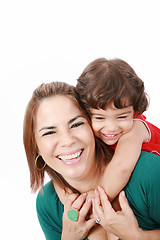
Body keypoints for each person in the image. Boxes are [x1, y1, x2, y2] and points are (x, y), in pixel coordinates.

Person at [23, 81, 160, 240]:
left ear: (93, 126)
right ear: (36, 146)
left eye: (76, 124)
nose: (67, 141)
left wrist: (138, 236)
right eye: (49, 133)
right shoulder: (48, 202)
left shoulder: (148, 173)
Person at [76, 57, 160, 201]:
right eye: (100, 118)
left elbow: (122, 168)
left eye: (121, 117)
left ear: (134, 110)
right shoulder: (90, 134)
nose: (111, 128)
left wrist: (97, 201)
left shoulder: (135, 129)